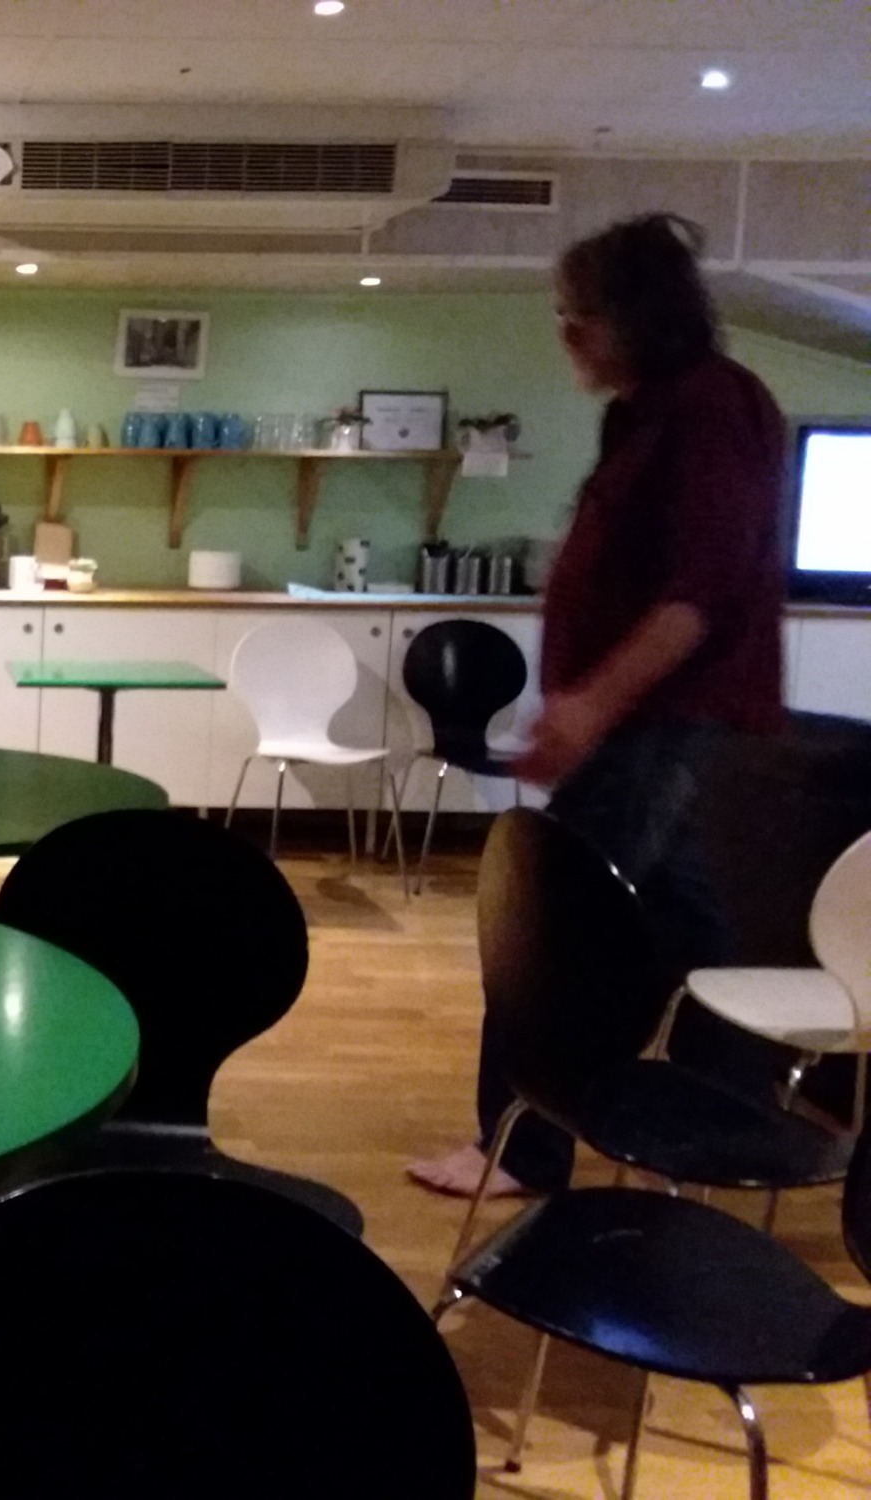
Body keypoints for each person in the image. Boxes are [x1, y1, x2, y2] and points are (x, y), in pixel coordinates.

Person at [407, 214, 787, 1200]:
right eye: (561, 315)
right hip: (641, 720)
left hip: (658, 719)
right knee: (686, 923)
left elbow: (698, 593)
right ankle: (731, 1115)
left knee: (548, 920)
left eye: (582, 316)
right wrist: (577, 699)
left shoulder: (711, 410)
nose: (566, 335)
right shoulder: (646, 412)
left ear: (643, 317)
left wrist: (589, 707)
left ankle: (520, 1145)